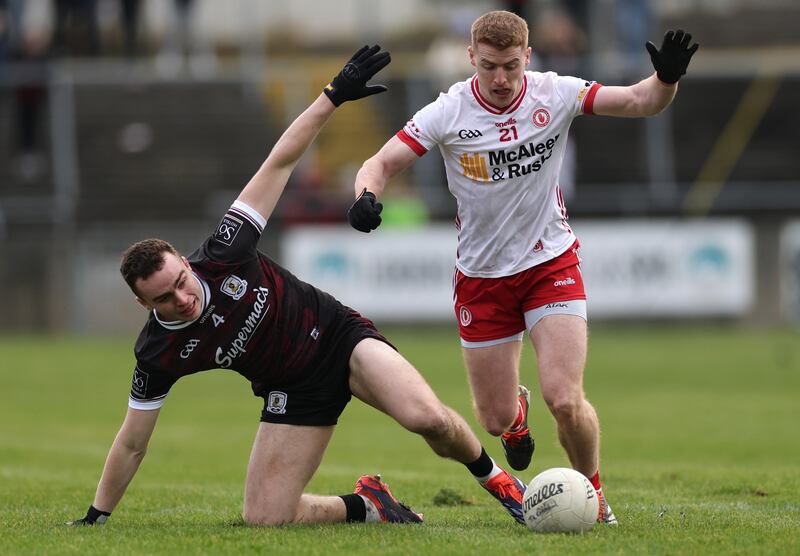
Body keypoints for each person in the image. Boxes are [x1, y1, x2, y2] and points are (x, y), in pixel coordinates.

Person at [67, 45, 528, 527]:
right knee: (265, 518)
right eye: (163, 298)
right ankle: (369, 506)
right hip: (292, 391)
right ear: (142, 302)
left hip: (339, 339)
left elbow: (279, 162)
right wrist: (97, 516)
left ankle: (497, 479)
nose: (181, 299)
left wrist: (332, 96)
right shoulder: (158, 351)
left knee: (426, 419)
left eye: (180, 281)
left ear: (185, 262)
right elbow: (133, 441)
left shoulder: (225, 249)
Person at [347, 11, 700, 525]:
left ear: (527, 58)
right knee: (492, 419)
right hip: (482, 280)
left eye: (511, 66)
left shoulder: (555, 93)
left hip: (548, 264)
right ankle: (516, 420)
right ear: (472, 58)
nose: (500, 78)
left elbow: (642, 101)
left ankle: (595, 497)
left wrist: (666, 78)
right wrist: (365, 197)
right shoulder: (447, 112)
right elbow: (378, 164)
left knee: (565, 397)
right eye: (489, 66)